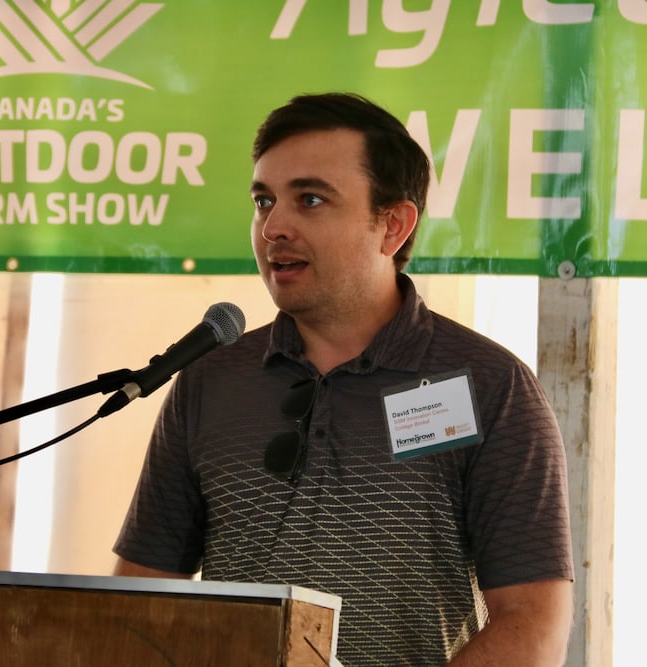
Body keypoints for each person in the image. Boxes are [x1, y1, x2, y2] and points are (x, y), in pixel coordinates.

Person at [113, 92, 574, 665]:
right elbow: (140, 599)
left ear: (394, 226)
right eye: (263, 200)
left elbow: (533, 625)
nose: (273, 226)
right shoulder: (209, 380)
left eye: (310, 199)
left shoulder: (490, 387)